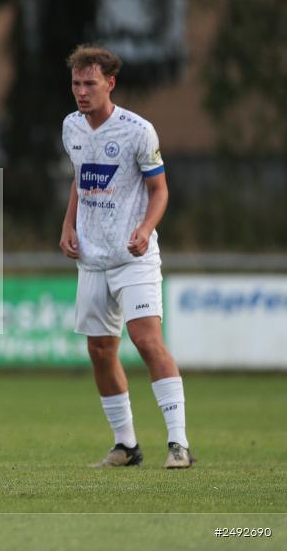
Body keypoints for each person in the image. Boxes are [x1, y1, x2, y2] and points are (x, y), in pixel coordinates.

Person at [59, 44, 194, 469]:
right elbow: (81, 181)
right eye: (77, 84)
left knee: (147, 341)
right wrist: (68, 226)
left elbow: (160, 190)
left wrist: (146, 228)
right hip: (92, 260)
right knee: (100, 350)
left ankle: (179, 444)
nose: (82, 92)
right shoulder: (71, 127)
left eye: (90, 84)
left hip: (133, 257)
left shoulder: (138, 131)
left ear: (110, 84)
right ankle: (126, 446)